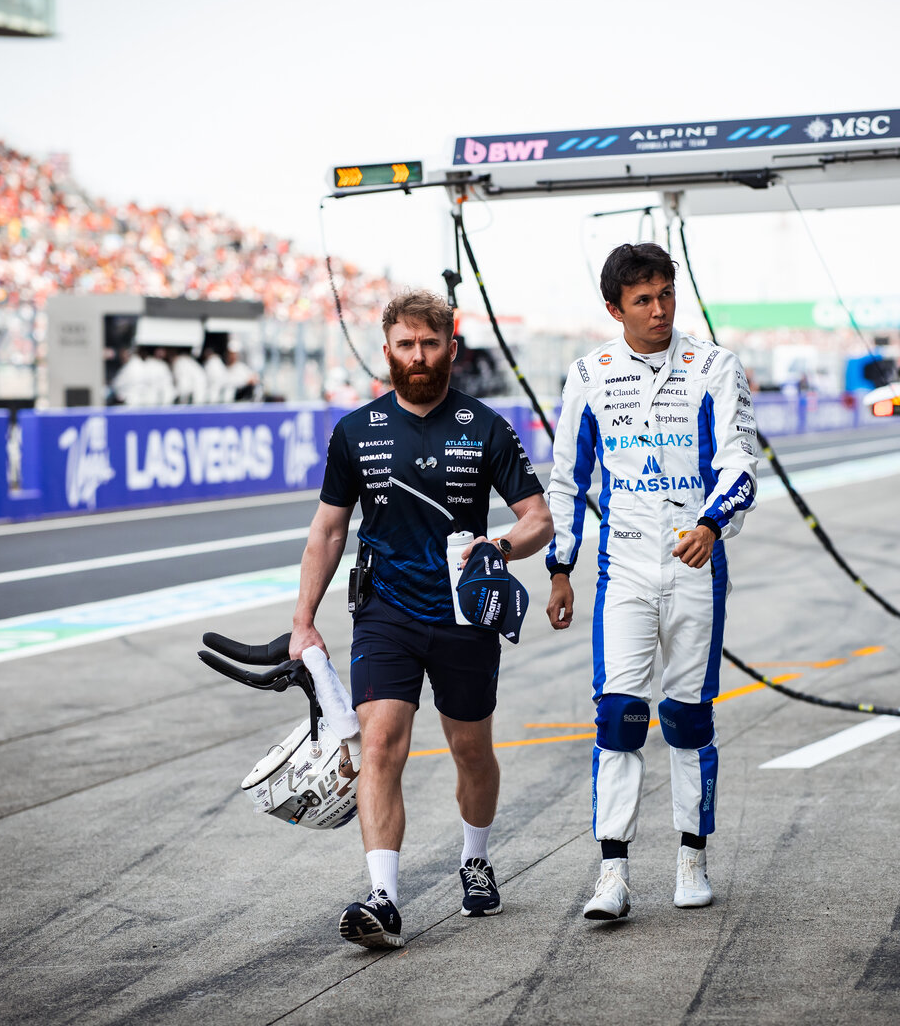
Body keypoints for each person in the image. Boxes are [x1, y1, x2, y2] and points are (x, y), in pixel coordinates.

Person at [288, 289, 552, 949]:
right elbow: (328, 531)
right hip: (386, 613)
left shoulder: (486, 427)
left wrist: (501, 548)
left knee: (471, 751)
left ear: (451, 350)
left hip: (465, 615)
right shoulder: (356, 431)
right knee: (380, 745)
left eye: (430, 344)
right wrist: (303, 620)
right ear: (387, 351)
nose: (418, 355)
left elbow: (538, 519)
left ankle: (476, 859)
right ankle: (383, 898)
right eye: (405, 344)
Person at [545, 243, 758, 921]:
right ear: (616, 309)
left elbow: (741, 464)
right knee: (618, 715)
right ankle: (612, 875)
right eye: (643, 300)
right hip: (625, 569)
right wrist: (560, 567)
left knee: (689, 717)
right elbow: (566, 480)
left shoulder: (716, 366)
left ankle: (692, 859)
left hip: (696, 564)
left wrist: (712, 524)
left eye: (666, 294)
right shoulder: (589, 374)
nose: (659, 309)